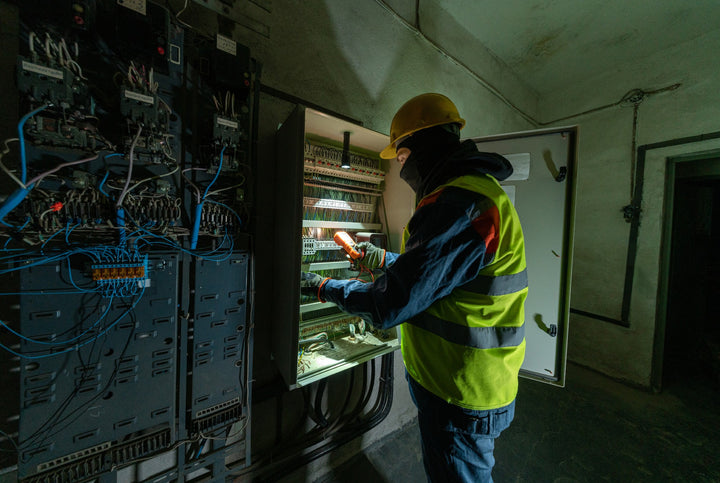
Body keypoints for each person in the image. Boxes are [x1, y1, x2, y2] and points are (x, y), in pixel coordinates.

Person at [301, 93, 527, 483]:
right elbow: (443, 276)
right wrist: (382, 259)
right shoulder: (473, 193)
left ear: (422, 147)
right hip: (464, 383)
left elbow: (391, 303)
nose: (402, 171)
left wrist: (323, 287)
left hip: (461, 391)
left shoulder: (459, 204)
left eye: (402, 159)